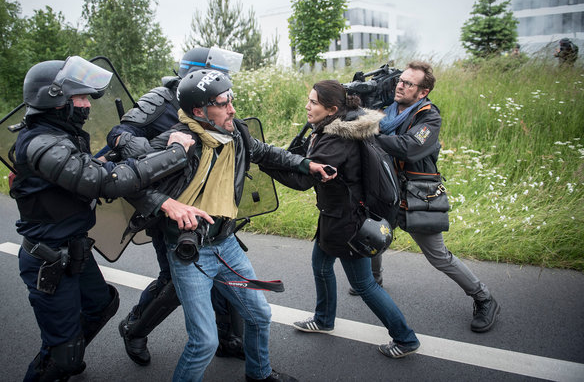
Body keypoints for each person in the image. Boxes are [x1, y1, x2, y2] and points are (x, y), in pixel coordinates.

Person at [126, 69, 335, 381]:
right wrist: (164, 204)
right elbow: (130, 182)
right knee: (204, 342)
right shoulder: (176, 142)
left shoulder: (236, 131)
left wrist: (308, 164)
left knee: (260, 315)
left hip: (225, 244)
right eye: (223, 104)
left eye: (231, 101)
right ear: (199, 111)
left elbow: (265, 153)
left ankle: (259, 374)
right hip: (191, 253)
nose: (232, 109)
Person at [11, 56, 195, 381]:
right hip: (49, 260)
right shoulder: (44, 144)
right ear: (56, 100)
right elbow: (107, 183)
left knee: (102, 305)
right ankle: (59, 359)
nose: (87, 105)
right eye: (80, 97)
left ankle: (66, 352)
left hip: (74, 250)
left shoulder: (60, 135)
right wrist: (175, 152)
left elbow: (88, 168)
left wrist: (119, 152)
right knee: (61, 356)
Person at [260, 80, 421, 359]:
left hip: (347, 222)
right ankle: (323, 319)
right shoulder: (339, 125)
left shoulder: (337, 138)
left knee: (363, 284)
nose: (307, 106)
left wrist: (263, 160)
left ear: (332, 109)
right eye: (308, 100)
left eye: (314, 102)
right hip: (335, 215)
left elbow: (303, 180)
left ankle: (405, 338)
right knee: (321, 265)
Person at [109, 47, 247, 365]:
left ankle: (227, 337)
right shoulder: (161, 99)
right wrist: (163, 155)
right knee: (176, 278)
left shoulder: (210, 100)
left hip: (209, 202)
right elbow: (119, 135)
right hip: (168, 204)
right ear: (193, 72)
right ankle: (134, 328)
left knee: (221, 268)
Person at [374, 60, 500, 333]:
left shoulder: (429, 117)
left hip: (418, 195)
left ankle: (484, 297)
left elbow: (408, 148)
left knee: (438, 256)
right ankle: (373, 281)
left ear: (423, 92)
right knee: (376, 234)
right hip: (388, 189)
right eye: (400, 80)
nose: (400, 85)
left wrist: (367, 135)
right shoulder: (385, 112)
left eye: (408, 83)